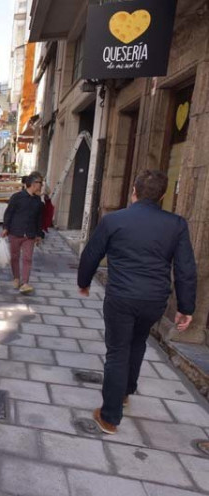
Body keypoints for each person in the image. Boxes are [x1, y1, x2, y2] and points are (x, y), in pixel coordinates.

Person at [78, 170, 196, 435]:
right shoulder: (176, 224)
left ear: (133, 191)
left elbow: (91, 253)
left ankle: (109, 417)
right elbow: (186, 268)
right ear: (163, 196)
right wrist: (186, 308)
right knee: (138, 342)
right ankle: (124, 392)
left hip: (121, 296)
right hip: (154, 300)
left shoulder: (114, 220)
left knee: (118, 351)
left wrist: (83, 282)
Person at [1, 172, 44, 294]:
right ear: (33, 184)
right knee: (15, 257)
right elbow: (8, 213)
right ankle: (16, 278)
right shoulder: (17, 197)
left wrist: (39, 235)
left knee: (27, 258)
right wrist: (5, 228)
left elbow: (39, 219)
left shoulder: (38, 201)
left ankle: (25, 283)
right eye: (40, 183)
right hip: (15, 232)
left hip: (30, 234)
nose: (41, 186)